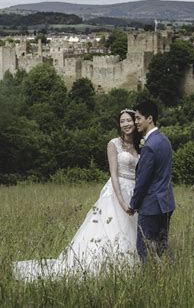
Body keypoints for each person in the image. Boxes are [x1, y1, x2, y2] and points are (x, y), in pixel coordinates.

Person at [13, 109, 140, 281]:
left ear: (136, 121)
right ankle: (102, 268)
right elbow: (113, 175)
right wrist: (122, 202)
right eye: (122, 121)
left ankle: (130, 269)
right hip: (116, 193)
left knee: (132, 232)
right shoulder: (113, 144)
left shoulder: (141, 145)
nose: (126, 124)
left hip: (135, 192)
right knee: (110, 231)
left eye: (129, 120)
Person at [128, 100, 176, 262]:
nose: (136, 122)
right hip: (166, 203)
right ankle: (162, 278)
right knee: (160, 248)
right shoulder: (165, 140)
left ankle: (149, 280)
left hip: (151, 206)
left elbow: (142, 181)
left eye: (138, 118)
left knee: (145, 250)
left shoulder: (149, 146)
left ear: (149, 119)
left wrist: (133, 205)